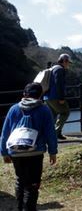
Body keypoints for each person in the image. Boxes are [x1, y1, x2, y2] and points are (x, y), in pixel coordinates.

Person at [1, 83, 57, 211]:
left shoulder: (13, 109)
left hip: (15, 151)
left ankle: (19, 207)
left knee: (20, 180)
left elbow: (4, 133)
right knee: (33, 184)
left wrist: (4, 153)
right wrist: (53, 152)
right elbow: (50, 133)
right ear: (40, 95)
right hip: (35, 152)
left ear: (24, 94)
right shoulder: (44, 110)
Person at [44, 53, 72, 140]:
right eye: (68, 62)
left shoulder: (53, 68)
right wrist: (61, 98)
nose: (68, 64)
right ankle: (55, 133)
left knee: (53, 115)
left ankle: (51, 134)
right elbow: (58, 84)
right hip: (55, 97)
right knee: (65, 112)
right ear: (64, 61)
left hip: (47, 97)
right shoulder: (60, 69)